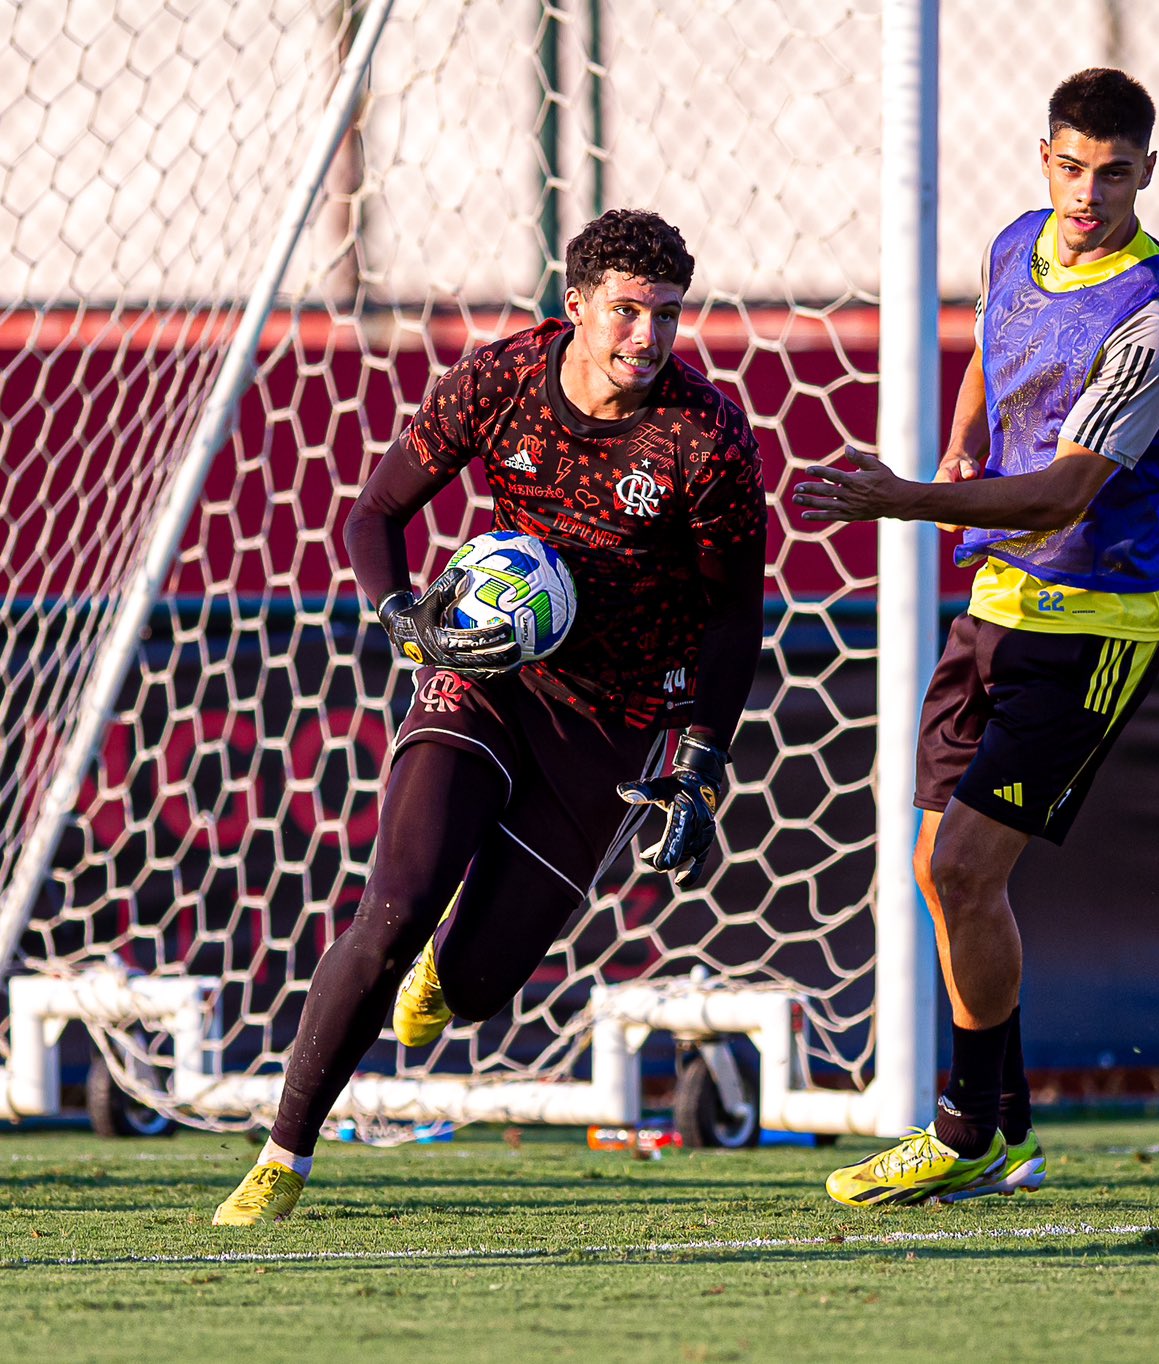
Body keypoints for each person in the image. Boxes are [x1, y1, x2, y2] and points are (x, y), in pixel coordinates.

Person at [212, 209, 767, 1224]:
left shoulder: (706, 435)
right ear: (577, 307)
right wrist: (400, 619)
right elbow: (372, 513)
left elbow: (732, 613)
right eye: (627, 312)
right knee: (395, 903)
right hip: (481, 678)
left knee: (473, 982)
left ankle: (451, 977)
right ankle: (281, 1157)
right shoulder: (499, 377)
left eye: (666, 316)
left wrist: (699, 759)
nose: (647, 336)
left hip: (609, 719)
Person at [792, 68, 1159, 1207]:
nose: (1087, 195)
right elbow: (992, 344)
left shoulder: (1158, 319)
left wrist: (898, 500)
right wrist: (958, 446)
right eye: (1071, 167)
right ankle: (1012, 1130)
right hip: (993, 609)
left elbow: (1059, 498)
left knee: (962, 867)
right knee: (945, 881)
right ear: (1045, 157)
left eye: (1114, 173)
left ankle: (962, 1128)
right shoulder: (1015, 241)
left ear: (1148, 172)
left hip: (1094, 625)